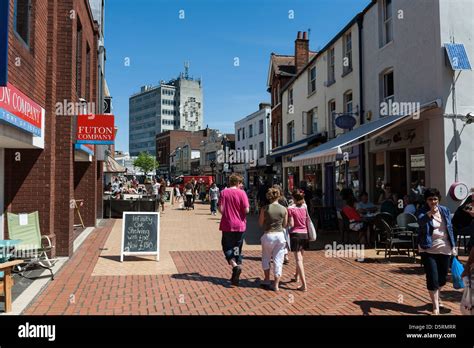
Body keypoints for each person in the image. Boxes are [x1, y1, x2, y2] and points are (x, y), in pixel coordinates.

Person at [417, 188, 457, 315]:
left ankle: (437, 295)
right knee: (432, 277)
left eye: (435, 199)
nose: (433, 201)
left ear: (438, 199)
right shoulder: (423, 211)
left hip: (445, 248)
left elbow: (449, 229)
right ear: (426, 201)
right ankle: (435, 306)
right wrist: (430, 213)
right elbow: (420, 222)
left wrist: (453, 246)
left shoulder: (444, 210)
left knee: (442, 278)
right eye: (430, 199)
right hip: (428, 248)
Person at [218, 174, 249, 287]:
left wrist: (227, 215)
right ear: (237, 183)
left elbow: (220, 208)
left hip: (227, 224)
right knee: (237, 247)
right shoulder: (242, 193)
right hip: (240, 225)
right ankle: (237, 264)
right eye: (240, 183)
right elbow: (246, 210)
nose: (241, 185)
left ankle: (234, 265)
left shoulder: (224, 192)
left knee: (227, 246)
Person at [258, 187, 288, 291]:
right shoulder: (284, 209)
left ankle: (266, 279)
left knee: (266, 258)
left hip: (268, 235)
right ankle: (276, 284)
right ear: (279, 196)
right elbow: (284, 225)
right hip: (280, 236)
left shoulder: (265, 208)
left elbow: (260, 223)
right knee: (278, 260)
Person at [287, 189, 310, 291]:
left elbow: (291, 224)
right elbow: (303, 203)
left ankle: (304, 285)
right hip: (305, 234)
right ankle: (296, 276)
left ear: (293, 198)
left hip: (295, 234)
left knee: (298, 259)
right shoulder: (305, 207)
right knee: (301, 257)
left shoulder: (291, 209)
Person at [452, 188, 474, 253]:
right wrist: (471, 211)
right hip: (458, 227)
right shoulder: (471, 198)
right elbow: (464, 207)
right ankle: (470, 247)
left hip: (468, 226)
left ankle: (470, 247)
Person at [273, 184, 290, 265]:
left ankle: (279, 256)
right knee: (284, 240)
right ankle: (285, 255)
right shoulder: (283, 199)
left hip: (274, 223)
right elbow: (287, 210)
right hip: (283, 222)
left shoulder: (272, 199)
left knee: (276, 240)